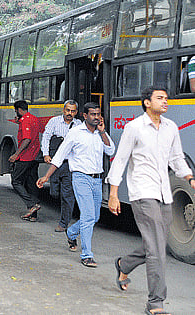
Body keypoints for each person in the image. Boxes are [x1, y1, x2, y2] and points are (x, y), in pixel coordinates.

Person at [105, 86, 195, 315]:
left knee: (155, 245)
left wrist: (189, 177)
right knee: (157, 252)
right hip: (142, 193)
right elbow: (120, 160)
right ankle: (156, 302)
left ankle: (124, 265)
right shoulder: (134, 128)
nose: (165, 102)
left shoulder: (170, 127)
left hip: (164, 193)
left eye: (166, 98)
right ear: (147, 102)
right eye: (160, 98)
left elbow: (176, 158)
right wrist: (113, 193)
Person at [36, 102, 115, 268]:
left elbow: (110, 151)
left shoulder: (100, 134)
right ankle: (87, 255)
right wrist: (46, 177)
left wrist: (103, 133)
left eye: (98, 114)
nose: (97, 117)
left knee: (95, 217)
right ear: (85, 116)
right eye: (93, 114)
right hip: (80, 178)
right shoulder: (75, 133)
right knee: (87, 216)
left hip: (97, 179)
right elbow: (59, 156)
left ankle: (71, 232)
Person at [40, 100, 81, 232]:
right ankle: (55, 191)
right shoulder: (54, 122)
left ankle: (63, 223)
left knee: (67, 194)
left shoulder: (79, 124)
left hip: (70, 163)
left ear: (76, 112)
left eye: (73, 111)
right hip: (55, 163)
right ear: (63, 110)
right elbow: (46, 137)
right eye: (68, 110)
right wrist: (46, 154)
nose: (70, 113)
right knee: (54, 192)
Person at [8, 100, 42, 222]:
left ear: (19, 110)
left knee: (16, 181)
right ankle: (33, 216)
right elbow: (32, 133)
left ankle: (32, 204)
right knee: (32, 184)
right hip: (35, 157)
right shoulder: (33, 118)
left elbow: (27, 139)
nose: (16, 112)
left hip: (25, 157)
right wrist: (20, 123)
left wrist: (16, 154)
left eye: (16, 110)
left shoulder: (26, 120)